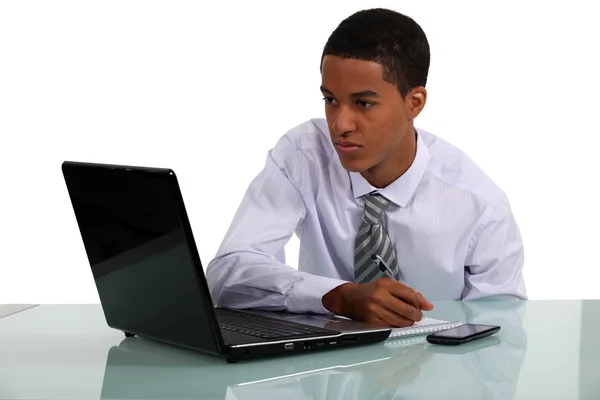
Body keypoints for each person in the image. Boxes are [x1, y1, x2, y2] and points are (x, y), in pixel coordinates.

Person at [205, 8, 527, 328]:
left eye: (363, 103)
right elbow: (228, 272)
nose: (340, 124)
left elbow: (501, 338)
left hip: (437, 370)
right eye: (330, 100)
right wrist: (336, 296)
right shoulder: (303, 156)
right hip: (323, 372)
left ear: (414, 103)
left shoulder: (482, 208)